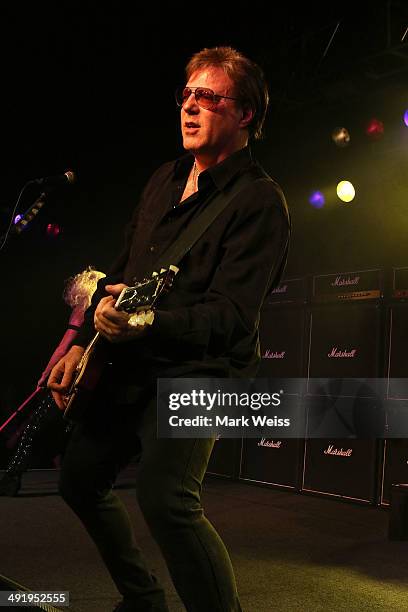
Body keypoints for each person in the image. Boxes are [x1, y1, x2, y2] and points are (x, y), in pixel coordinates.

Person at [48, 46, 291, 612]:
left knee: (167, 500)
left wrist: (150, 322)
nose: (190, 107)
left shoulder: (260, 201)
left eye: (208, 97)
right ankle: (144, 599)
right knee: (78, 481)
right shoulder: (165, 178)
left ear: (246, 113)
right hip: (130, 357)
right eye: (186, 95)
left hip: (202, 368)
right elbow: (123, 273)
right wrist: (82, 343)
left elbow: (231, 318)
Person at [0, 267, 105, 496]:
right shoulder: (105, 309)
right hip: (97, 380)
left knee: (35, 427)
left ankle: (11, 477)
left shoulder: (82, 311)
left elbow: (63, 347)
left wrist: (45, 375)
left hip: (73, 378)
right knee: (81, 430)